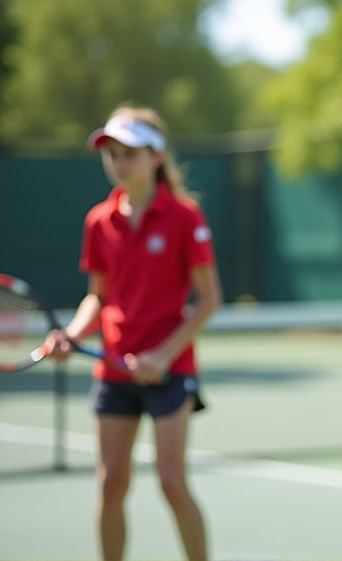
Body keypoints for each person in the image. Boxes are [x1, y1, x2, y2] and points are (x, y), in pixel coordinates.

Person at [44, 105, 222, 561]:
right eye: (112, 154)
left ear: (155, 156)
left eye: (129, 153)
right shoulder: (98, 222)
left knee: (170, 480)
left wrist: (162, 356)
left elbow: (208, 299)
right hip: (114, 371)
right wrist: (72, 333)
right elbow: (98, 299)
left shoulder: (186, 218)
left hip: (170, 370)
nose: (119, 163)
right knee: (111, 482)